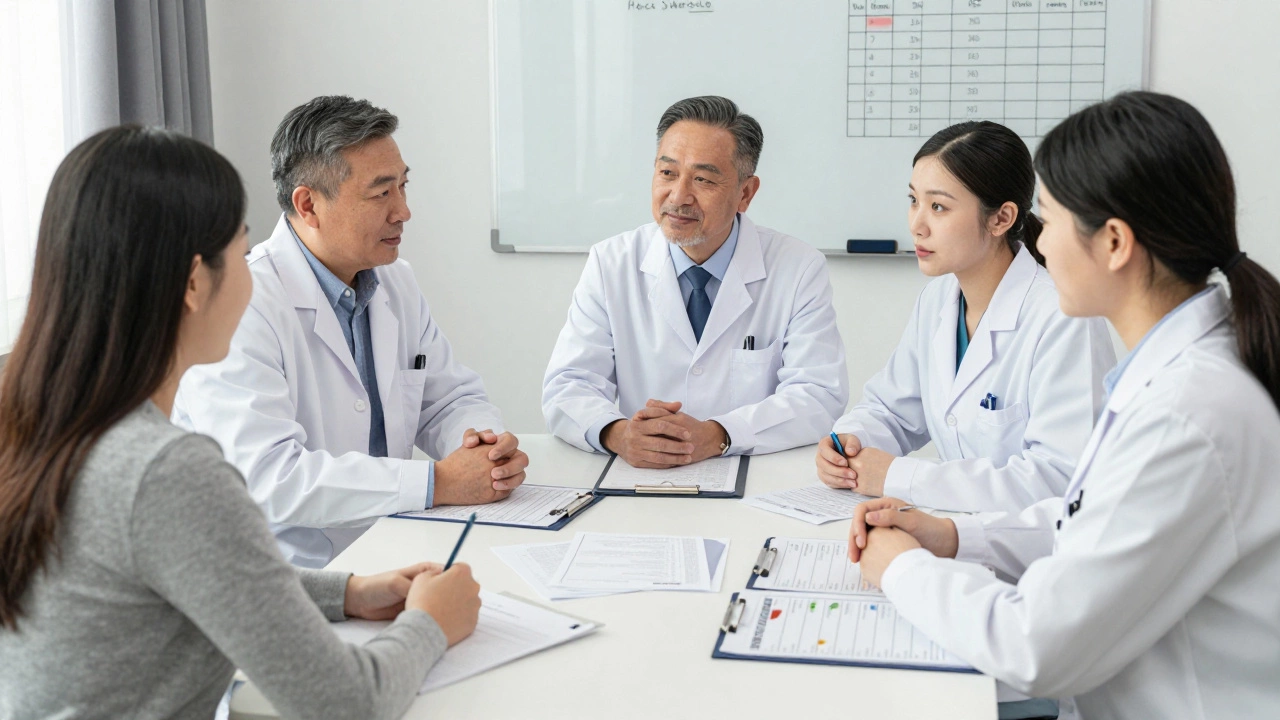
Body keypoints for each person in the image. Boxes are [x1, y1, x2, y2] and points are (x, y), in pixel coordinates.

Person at [0, 125, 482, 719]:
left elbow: (185, 569)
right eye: (241, 247)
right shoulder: (167, 470)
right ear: (195, 284)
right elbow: (349, 701)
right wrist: (432, 624)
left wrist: (349, 591)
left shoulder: (44, 426)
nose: (253, 270)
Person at [849, 92, 1280, 720]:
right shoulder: (1170, 377)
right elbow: (1090, 519)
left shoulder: (1189, 413)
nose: (1039, 246)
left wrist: (903, 569)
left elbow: (1039, 647)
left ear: (1113, 243)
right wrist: (951, 534)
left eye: (1045, 221)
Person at [174, 96, 528, 567]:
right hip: (289, 573)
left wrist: (484, 449)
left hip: (394, 544)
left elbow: (447, 399)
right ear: (309, 204)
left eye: (403, 186)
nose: (403, 211)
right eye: (382, 193)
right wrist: (438, 482)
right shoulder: (245, 302)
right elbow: (268, 477)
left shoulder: (395, 281)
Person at [816, 121, 1115, 512]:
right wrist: (849, 443)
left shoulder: (1063, 316)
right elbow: (891, 409)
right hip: (951, 527)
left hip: (1034, 550)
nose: (916, 225)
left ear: (1000, 219)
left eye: (938, 206)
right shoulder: (938, 299)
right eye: (913, 200)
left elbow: (1059, 478)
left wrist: (899, 477)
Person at [542, 96, 848, 467]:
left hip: (753, 478)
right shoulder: (611, 262)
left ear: (745, 193)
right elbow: (568, 386)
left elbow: (818, 394)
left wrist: (719, 434)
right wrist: (618, 433)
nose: (678, 196)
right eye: (667, 173)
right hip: (641, 478)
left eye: (702, 179)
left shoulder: (798, 268)